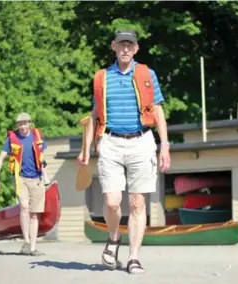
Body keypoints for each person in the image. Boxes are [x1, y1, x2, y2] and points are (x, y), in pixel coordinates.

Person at [78, 30, 171, 274]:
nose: (126, 49)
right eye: (121, 44)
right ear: (114, 47)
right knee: (111, 202)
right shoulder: (102, 78)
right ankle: (114, 238)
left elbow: (158, 111)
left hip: (142, 142)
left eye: (130, 44)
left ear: (136, 48)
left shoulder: (147, 74)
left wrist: (165, 146)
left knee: (137, 203)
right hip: (110, 142)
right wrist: (85, 149)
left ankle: (133, 257)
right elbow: (94, 116)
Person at [0, 112, 48, 256]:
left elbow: (41, 158)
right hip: (20, 178)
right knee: (24, 207)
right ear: (17, 125)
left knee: (35, 214)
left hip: (36, 178)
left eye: (25, 123)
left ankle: (33, 248)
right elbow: (1, 158)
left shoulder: (38, 136)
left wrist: (46, 177)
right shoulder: (12, 139)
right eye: (20, 124)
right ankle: (26, 240)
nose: (22, 126)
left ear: (30, 123)